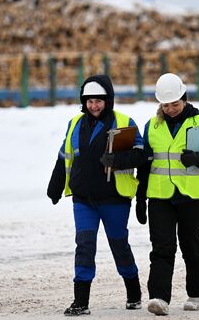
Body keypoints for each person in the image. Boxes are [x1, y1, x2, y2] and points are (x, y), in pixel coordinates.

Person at [47, 74, 147, 316]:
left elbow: (141, 155)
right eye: (89, 101)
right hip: (83, 199)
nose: (94, 105)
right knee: (84, 244)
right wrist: (55, 184)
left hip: (114, 198)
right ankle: (81, 301)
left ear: (108, 100)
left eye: (99, 101)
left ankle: (133, 292)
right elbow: (65, 156)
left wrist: (118, 160)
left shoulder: (123, 121)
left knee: (118, 245)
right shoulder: (74, 124)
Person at [135, 73, 199, 315]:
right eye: (166, 105)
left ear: (184, 99)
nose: (171, 109)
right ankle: (159, 298)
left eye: (175, 104)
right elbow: (145, 164)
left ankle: (197, 294)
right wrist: (140, 197)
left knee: (191, 245)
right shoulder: (152, 126)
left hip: (192, 197)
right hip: (160, 196)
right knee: (161, 248)